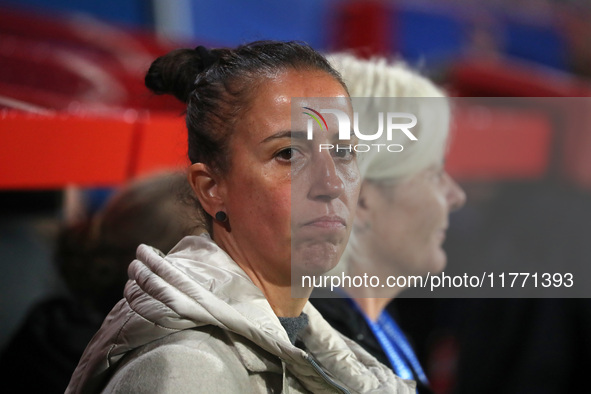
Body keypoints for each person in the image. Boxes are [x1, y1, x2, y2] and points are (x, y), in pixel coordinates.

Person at [66, 41, 415, 393]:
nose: (331, 184)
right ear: (211, 187)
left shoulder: (319, 342)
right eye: (288, 153)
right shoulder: (187, 373)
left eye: (343, 151)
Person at [310, 53, 466, 394]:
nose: (456, 195)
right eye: (434, 174)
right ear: (361, 199)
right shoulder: (318, 361)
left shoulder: (369, 326)